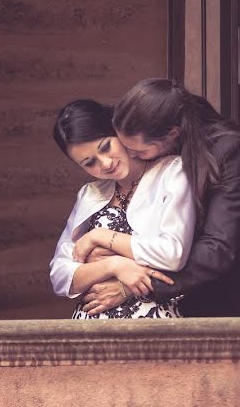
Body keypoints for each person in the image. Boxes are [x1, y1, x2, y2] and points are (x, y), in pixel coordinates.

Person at [81, 78, 240, 317]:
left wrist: (134, 284)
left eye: (138, 151)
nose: (130, 156)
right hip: (155, 310)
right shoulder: (151, 144)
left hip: (216, 304)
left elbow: (217, 249)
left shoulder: (228, 151)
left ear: (172, 135)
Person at [48, 99, 196, 318]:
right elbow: (60, 276)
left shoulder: (172, 172)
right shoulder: (89, 194)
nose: (105, 164)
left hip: (153, 324)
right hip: (88, 328)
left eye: (106, 147)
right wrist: (114, 266)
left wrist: (99, 236)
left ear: (117, 130)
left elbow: (172, 254)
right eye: (90, 163)